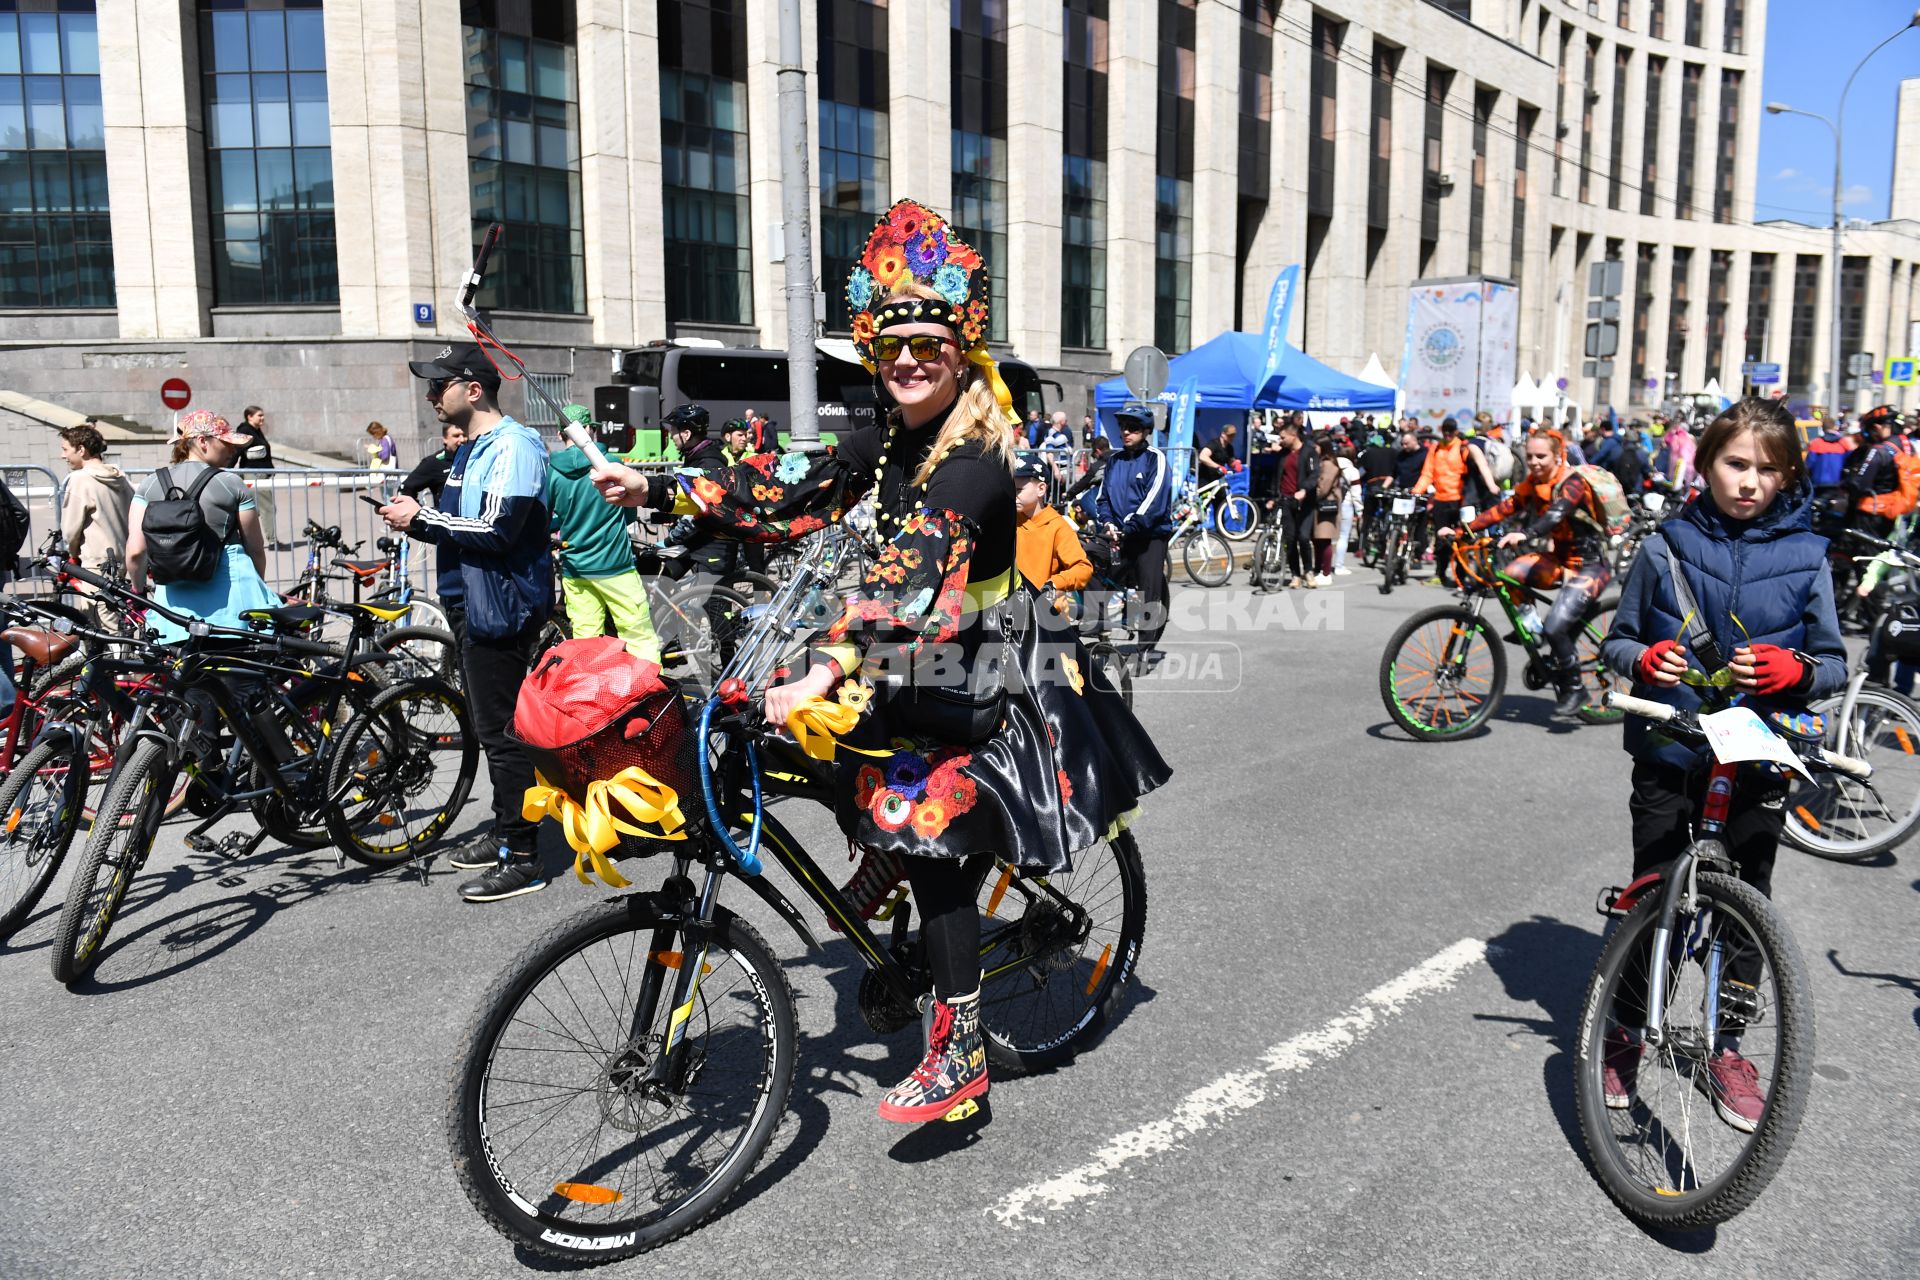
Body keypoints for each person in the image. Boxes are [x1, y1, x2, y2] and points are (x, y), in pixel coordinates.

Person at [587, 199, 1169, 1124]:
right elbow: (795, 481)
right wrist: (657, 483)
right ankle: (878, 861)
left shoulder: (974, 458)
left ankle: (961, 1048)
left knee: (926, 831)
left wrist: (824, 669)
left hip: (969, 678)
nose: (905, 360)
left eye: (926, 343)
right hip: (903, 661)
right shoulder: (896, 436)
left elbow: (912, 577)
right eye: (891, 345)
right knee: (802, 752)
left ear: (959, 348)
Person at [1599, 398, 1846, 1129]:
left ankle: (1726, 1045)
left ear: (1788, 477)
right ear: (1705, 463)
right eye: (1736, 464)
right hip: (1672, 750)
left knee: (1748, 904)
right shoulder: (1664, 545)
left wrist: (1792, 670)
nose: (1750, 482)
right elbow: (1616, 643)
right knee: (1655, 898)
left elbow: (1831, 663)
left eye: (1769, 470)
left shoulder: (1807, 555)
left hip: (1759, 759)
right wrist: (1644, 659)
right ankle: (1624, 1031)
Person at [380, 342, 553, 903]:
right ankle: (506, 831)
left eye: (439, 385)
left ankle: (522, 855)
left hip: (500, 607)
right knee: (490, 729)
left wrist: (420, 518)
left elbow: (497, 530)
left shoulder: (514, 445)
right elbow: (463, 522)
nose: (431, 395)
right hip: (471, 603)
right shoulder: (472, 447)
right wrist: (422, 519)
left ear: (472, 389)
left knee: (504, 735)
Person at [1453, 430, 1611, 717]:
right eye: (1529, 457)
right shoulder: (1533, 483)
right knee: (1510, 573)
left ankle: (1576, 688)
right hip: (1559, 559)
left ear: (1557, 455)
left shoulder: (1572, 482)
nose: (1534, 462)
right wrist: (1462, 531)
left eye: (1541, 456)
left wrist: (1524, 534)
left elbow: (1557, 514)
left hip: (1589, 566)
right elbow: (1505, 507)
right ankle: (1533, 629)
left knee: (1556, 626)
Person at [124, 411, 278, 641]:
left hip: (174, 610)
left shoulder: (149, 484)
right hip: (233, 605)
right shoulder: (231, 484)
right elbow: (255, 548)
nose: (233, 449)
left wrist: (138, 593)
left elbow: (135, 552)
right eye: (225, 442)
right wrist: (257, 587)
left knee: (182, 673)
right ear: (202, 441)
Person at [548, 405, 661, 663]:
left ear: (559, 434)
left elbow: (548, 516)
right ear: (589, 430)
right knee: (637, 636)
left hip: (576, 569)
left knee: (586, 643)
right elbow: (630, 513)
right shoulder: (612, 464)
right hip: (615, 565)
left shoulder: (552, 472)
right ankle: (650, 698)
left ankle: (593, 699)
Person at [1094, 408, 1174, 659]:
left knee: (1148, 589)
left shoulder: (1155, 459)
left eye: (1134, 428)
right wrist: (1108, 523)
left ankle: (1145, 650)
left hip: (1148, 536)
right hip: (1118, 534)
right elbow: (1102, 498)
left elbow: (1154, 501)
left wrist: (1130, 526)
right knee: (1097, 577)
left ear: (1147, 431)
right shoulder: (1114, 461)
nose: (1126, 432)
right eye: (1124, 427)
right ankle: (1095, 632)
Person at [399, 420, 468, 640]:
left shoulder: (472, 458)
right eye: (456, 435)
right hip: (446, 534)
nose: (461, 439)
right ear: (445, 439)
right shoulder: (434, 463)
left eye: (463, 435)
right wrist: (419, 517)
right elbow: (407, 488)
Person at [1413, 418, 1495, 584]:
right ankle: (1440, 574)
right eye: (1445, 430)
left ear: (1456, 430)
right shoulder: (1435, 449)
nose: (1448, 433)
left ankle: (1461, 576)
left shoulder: (1463, 447)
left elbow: (1474, 471)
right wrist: (1417, 491)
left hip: (1461, 501)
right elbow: (1427, 473)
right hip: (1441, 500)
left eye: (1451, 430)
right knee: (1442, 541)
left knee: (1463, 541)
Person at [1012, 459, 1092, 615]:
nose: (1013, 495)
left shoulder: (1058, 527)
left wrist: (1054, 583)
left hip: (1048, 615)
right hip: (1013, 612)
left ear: (1041, 489)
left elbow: (1083, 569)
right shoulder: (1007, 521)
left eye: (1019, 490)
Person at [57, 422, 133, 574]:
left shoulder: (79, 479)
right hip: (128, 563)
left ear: (81, 450)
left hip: (98, 566)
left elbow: (70, 531)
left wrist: (73, 554)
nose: (63, 455)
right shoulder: (120, 477)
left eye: (65, 450)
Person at [1845, 407, 1901, 538]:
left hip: (1871, 512)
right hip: (1891, 511)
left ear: (1876, 427)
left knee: (1862, 552)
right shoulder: (1902, 447)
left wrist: (1847, 484)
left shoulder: (1878, 451)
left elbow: (1859, 484)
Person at [234, 404, 280, 548]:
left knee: (253, 509)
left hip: (260, 474)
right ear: (250, 417)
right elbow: (237, 451)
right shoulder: (245, 431)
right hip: (254, 474)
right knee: (268, 507)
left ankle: (239, 537)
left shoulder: (255, 431)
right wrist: (226, 469)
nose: (263, 418)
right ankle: (272, 540)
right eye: (259, 415)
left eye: (263, 415)